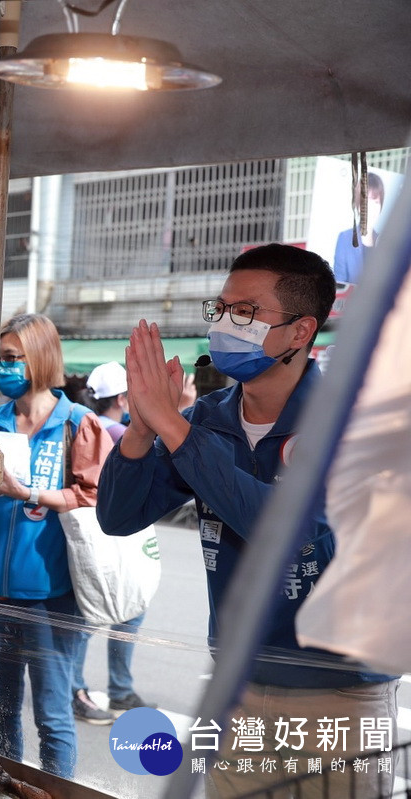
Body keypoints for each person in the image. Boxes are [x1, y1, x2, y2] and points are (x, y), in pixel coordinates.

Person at [96, 244, 398, 798]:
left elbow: (285, 531)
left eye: (246, 312)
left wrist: (171, 425)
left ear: (300, 330)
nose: (225, 323)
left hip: (336, 692)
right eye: (222, 308)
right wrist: (141, 431)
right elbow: (119, 518)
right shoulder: (208, 418)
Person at [0, 314, 114, 778]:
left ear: (41, 357)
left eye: (13, 359)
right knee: (0, 711)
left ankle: (57, 791)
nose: (4, 369)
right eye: (0, 360)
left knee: (52, 716)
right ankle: (7, 788)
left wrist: (29, 493)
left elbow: (94, 497)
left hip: (54, 598)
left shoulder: (78, 423)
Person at [67, 361, 153, 725]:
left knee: (89, 612)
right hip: (114, 536)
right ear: (122, 398)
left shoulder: (80, 425)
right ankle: (112, 688)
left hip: (88, 531)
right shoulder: (119, 432)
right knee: (126, 609)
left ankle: (82, 687)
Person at [331, 171, 384, 285]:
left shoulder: (385, 242)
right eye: (366, 202)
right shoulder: (345, 239)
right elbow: (340, 284)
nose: (371, 209)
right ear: (358, 205)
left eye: (376, 202)